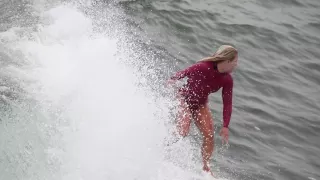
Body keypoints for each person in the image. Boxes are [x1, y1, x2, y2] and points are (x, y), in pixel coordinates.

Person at [167, 45, 238, 175]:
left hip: (201, 104)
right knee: (183, 130)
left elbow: (227, 103)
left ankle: (206, 167)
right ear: (227, 61)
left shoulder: (227, 79)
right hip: (184, 99)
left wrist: (225, 126)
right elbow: (182, 73)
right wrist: (171, 81)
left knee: (209, 135)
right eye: (235, 61)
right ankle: (165, 147)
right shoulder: (203, 67)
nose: (236, 65)